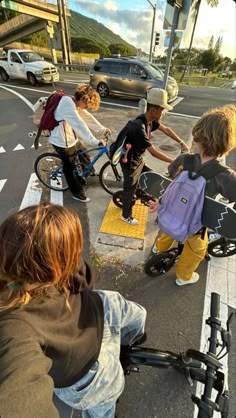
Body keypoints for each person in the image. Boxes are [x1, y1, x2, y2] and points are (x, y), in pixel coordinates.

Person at [0, 203, 146, 418]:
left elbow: (83, 276)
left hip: (97, 309)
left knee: (135, 312)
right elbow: (19, 393)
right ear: (48, 265)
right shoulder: (14, 325)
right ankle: (129, 346)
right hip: (88, 370)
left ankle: (131, 344)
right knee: (104, 404)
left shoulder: (32, 264)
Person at [151, 104, 236, 286]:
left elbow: (170, 177)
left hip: (172, 212)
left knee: (168, 230)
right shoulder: (225, 175)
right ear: (228, 145)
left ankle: (159, 248)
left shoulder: (183, 159)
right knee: (196, 249)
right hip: (196, 224)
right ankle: (184, 276)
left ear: (198, 137)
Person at [120, 88, 189, 225]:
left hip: (138, 159)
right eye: (162, 110)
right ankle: (126, 215)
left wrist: (181, 143)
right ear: (154, 110)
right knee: (130, 190)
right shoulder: (139, 127)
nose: (163, 113)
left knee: (151, 177)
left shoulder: (150, 121)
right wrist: (175, 162)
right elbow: (154, 152)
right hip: (130, 163)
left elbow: (166, 130)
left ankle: (140, 195)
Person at [49, 84, 111, 203]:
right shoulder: (68, 105)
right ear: (83, 99)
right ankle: (77, 193)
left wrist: (102, 129)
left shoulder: (72, 101)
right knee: (70, 169)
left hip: (70, 138)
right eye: (87, 104)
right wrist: (95, 141)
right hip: (61, 142)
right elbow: (79, 125)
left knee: (83, 153)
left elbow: (87, 117)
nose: (87, 107)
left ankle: (90, 172)